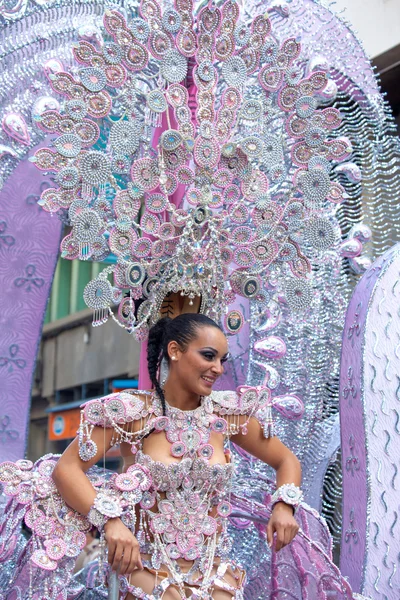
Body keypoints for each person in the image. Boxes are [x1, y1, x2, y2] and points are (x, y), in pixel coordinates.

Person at [0, 313, 368, 599]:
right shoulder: (133, 413)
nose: (218, 368)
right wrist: (111, 523)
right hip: (149, 571)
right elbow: (67, 470)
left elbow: (286, 461)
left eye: (223, 359)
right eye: (208, 355)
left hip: (216, 574)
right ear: (174, 352)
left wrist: (284, 505)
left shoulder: (228, 415)